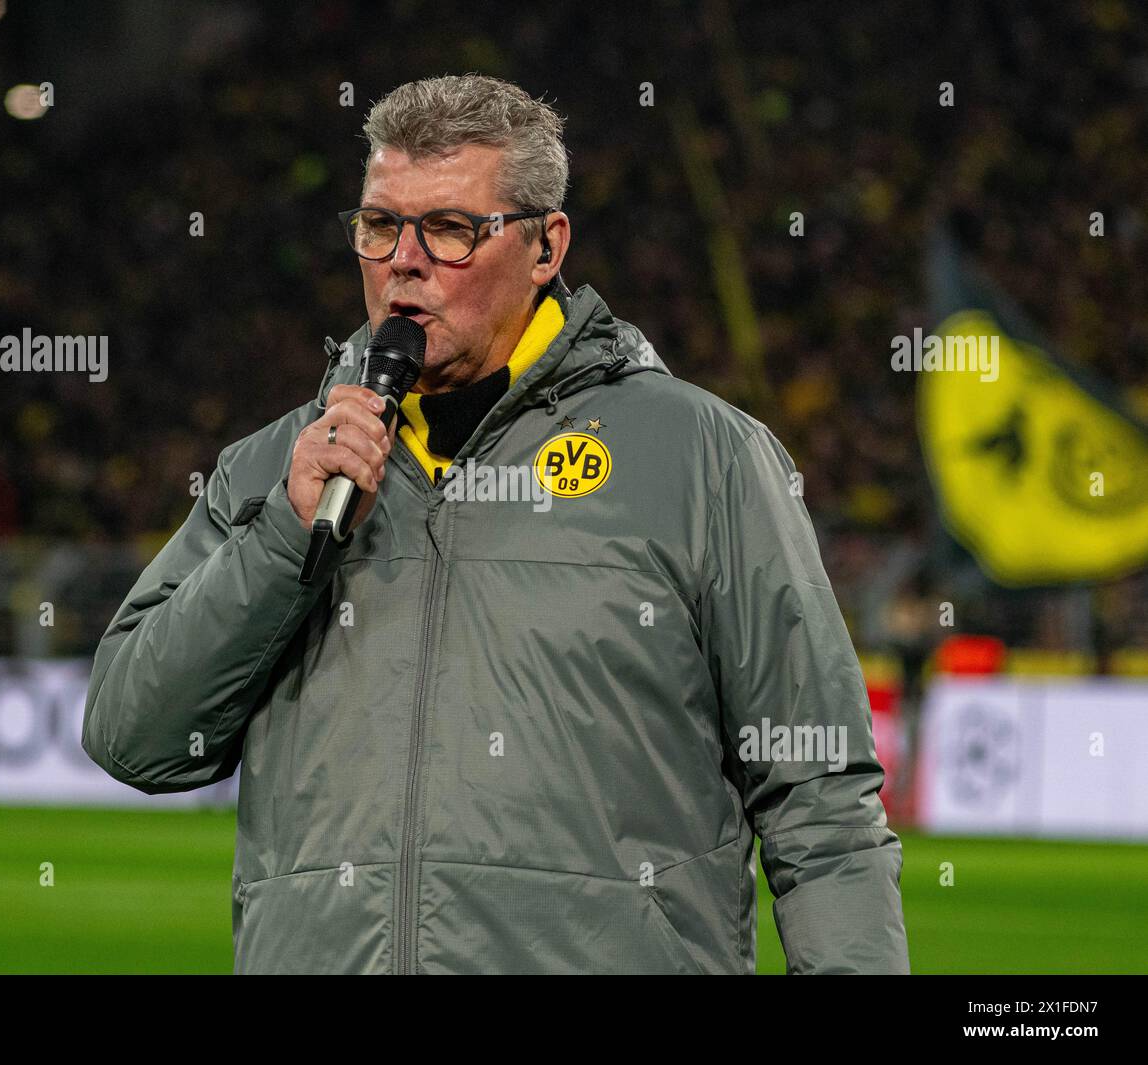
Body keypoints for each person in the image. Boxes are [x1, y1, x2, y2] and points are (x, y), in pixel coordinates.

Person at [81, 73, 910, 974]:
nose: (404, 259)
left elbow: (820, 801)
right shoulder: (277, 473)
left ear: (546, 244)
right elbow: (135, 737)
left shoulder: (703, 458)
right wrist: (283, 532)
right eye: (379, 226)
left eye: (449, 229)